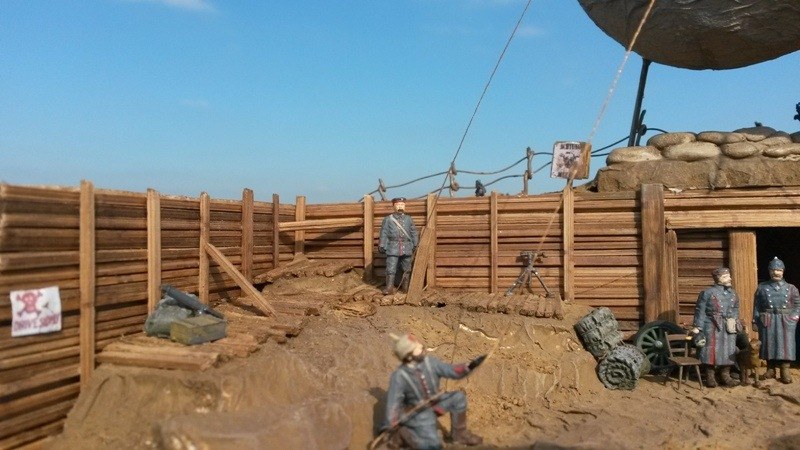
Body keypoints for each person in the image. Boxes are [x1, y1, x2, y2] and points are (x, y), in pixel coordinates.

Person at [380, 333, 485, 449]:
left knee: (458, 398)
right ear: (408, 355)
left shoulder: (430, 362)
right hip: (417, 414)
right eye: (417, 348)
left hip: (436, 402)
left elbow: (451, 371)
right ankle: (402, 434)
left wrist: (470, 366)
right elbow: (393, 403)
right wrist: (391, 424)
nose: (421, 347)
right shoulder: (399, 376)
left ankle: (459, 434)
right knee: (433, 445)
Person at [753, 257, 800, 384]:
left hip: (785, 320)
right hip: (768, 319)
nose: (776, 272)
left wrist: (793, 318)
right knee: (769, 344)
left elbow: (797, 306)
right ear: (769, 271)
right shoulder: (762, 287)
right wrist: (755, 321)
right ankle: (770, 369)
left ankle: (785, 370)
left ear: (783, 271)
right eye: (773, 270)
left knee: (786, 345)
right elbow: (757, 305)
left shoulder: (791, 288)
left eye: (779, 270)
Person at [692, 267, 741, 387]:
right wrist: (698, 326)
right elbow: (700, 310)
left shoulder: (733, 293)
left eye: (728, 276)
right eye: (725, 277)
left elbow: (735, 308)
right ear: (717, 279)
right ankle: (710, 376)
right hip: (711, 325)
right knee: (710, 349)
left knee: (728, 349)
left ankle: (725, 375)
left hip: (728, 325)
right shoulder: (707, 293)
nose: (729, 278)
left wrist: (734, 321)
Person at [378, 198, 419, 295]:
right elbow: (383, 233)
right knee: (391, 269)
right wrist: (382, 244)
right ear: (393, 206)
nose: (400, 206)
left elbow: (413, 232)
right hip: (393, 247)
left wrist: (416, 243)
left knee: (406, 268)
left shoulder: (409, 219)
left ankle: (405, 289)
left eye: (402, 204)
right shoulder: (388, 219)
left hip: (407, 247)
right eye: (398, 204)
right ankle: (389, 288)